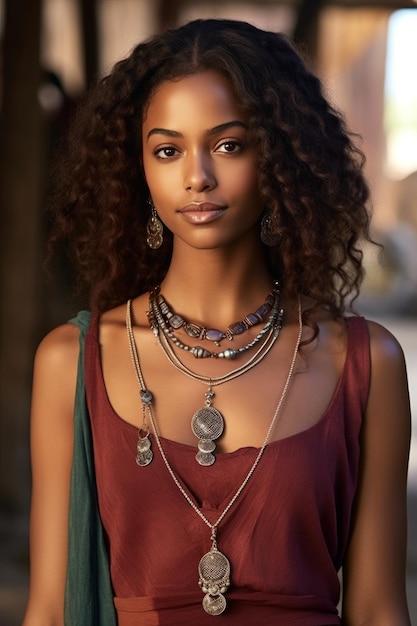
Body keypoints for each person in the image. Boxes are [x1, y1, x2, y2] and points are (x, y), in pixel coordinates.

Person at [22, 18, 411, 626]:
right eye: (168, 150)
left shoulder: (365, 364)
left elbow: (380, 609)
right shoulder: (72, 361)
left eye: (229, 144)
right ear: (140, 171)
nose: (197, 176)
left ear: (279, 156)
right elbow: (47, 610)